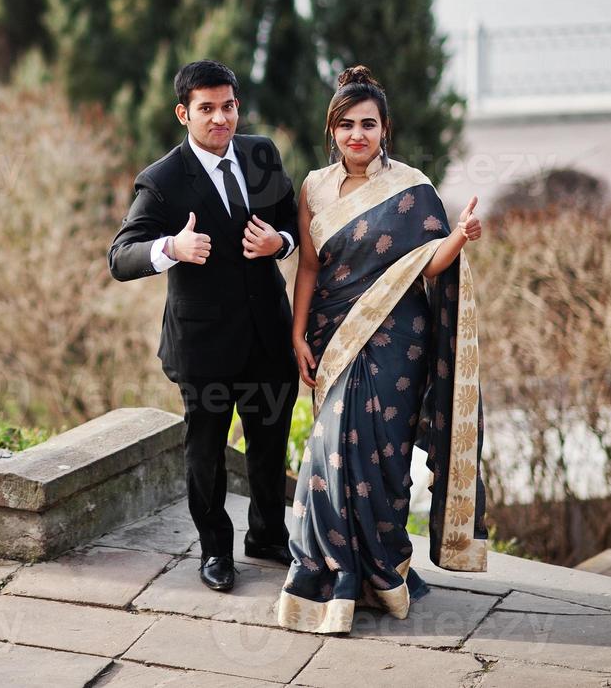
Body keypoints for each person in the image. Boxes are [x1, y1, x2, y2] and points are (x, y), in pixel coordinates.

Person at [276, 64, 488, 635]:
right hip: (334, 335)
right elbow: (311, 267)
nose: (357, 136)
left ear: (385, 128)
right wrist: (298, 333)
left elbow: (427, 263)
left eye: (367, 124)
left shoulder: (411, 187)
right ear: (332, 131)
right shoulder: (314, 188)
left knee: (378, 459)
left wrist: (458, 238)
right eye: (346, 125)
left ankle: (377, 576)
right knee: (330, 455)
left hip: (397, 340)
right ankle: (332, 579)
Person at [108, 59, 301, 593]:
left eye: (228, 106)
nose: (220, 119)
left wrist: (278, 244)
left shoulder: (261, 154)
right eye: (207, 109)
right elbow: (119, 256)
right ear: (183, 114)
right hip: (204, 347)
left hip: (267, 336)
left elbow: (291, 221)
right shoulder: (164, 180)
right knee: (206, 455)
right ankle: (216, 551)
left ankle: (267, 535)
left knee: (269, 444)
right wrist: (173, 248)